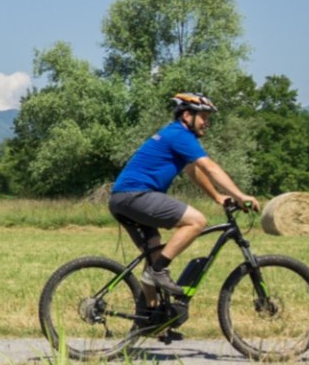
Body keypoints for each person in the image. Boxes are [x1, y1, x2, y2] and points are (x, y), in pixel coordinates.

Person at [109, 92, 260, 336]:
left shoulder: (175, 136)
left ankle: (152, 322)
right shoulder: (179, 134)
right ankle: (158, 272)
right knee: (197, 221)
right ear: (187, 115)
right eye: (204, 117)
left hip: (124, 199)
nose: (206, 122)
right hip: (136, 196)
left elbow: (194, 171)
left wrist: (218, 196)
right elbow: (209, 166)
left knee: (154, 256)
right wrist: (241, 195)